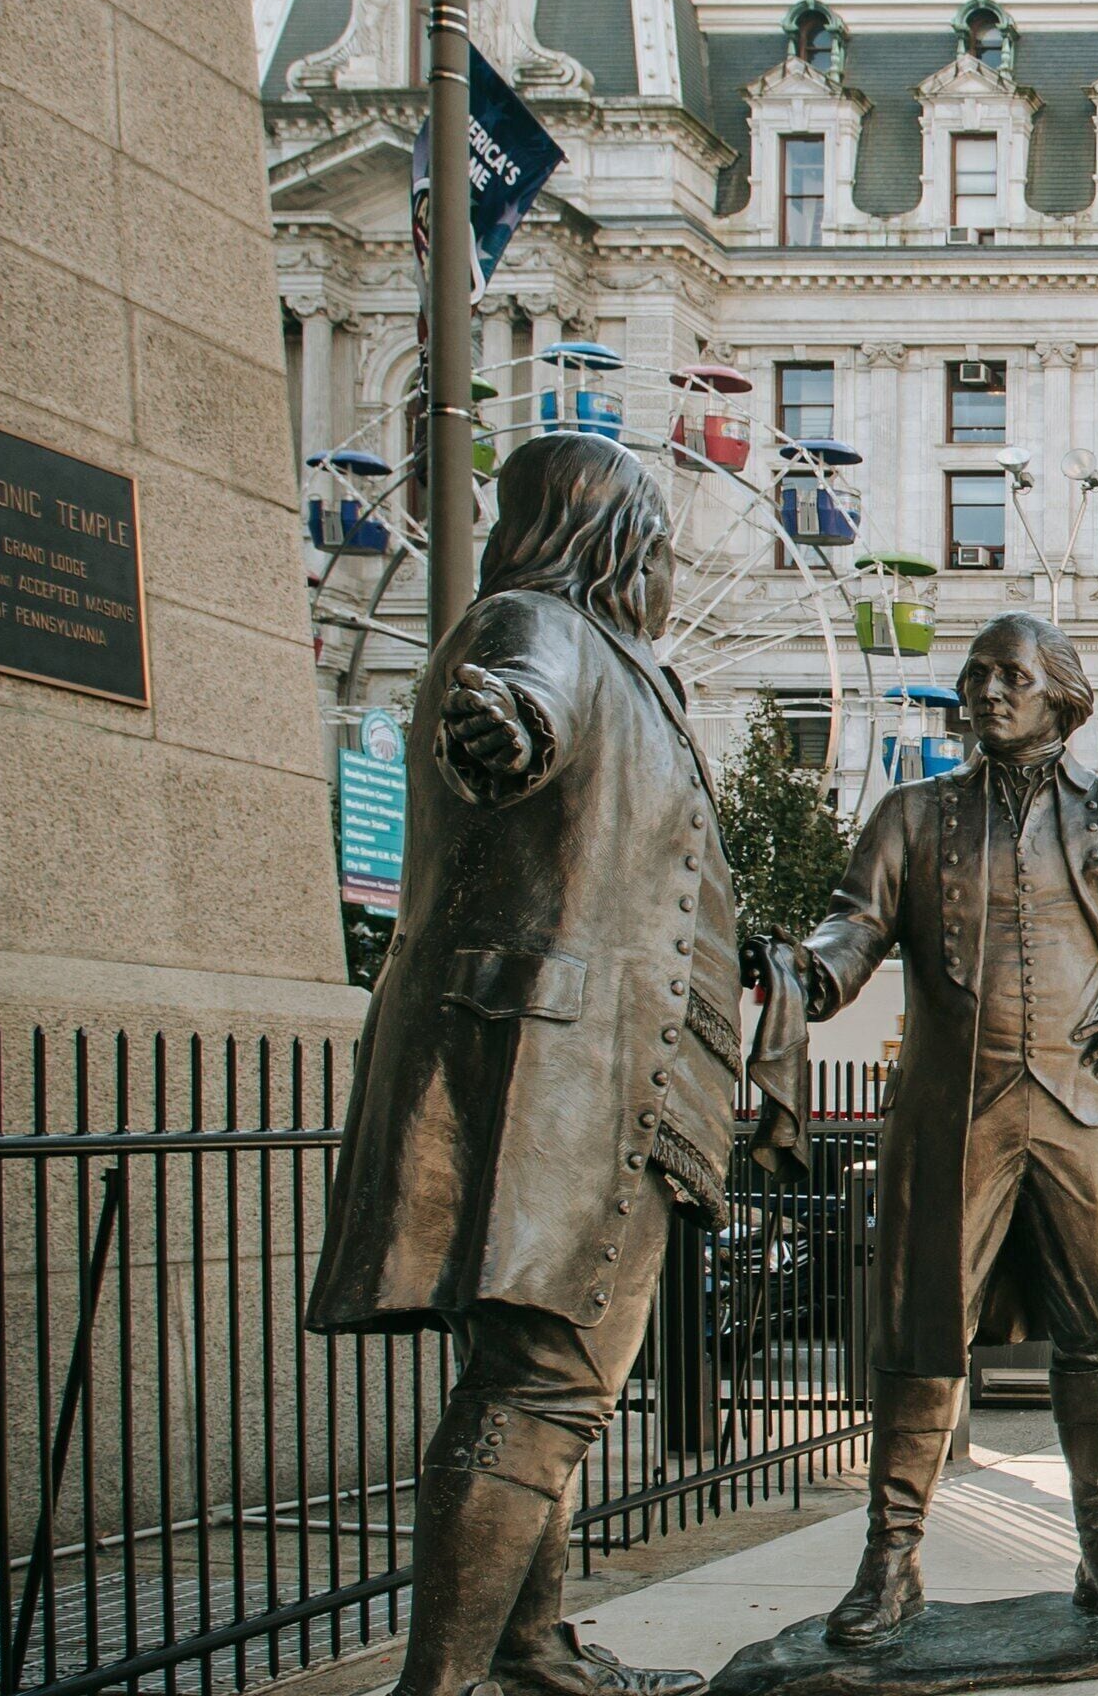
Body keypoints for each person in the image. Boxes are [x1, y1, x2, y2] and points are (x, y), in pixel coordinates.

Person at [308, 433, 735, 1696]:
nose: (664, 576)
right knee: (546, 1378)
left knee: (532, 1379)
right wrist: (503, 726)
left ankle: (532, 1649)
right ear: (611, 547)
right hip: (566, 1067)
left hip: (596, 1066)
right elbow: (517, 707)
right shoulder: (534, 626)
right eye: (655, 549)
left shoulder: (619, 659)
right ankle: (438, 1687)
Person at [775, 612, 1098, 1649]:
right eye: (975, 676)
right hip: (957, 1111)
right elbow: (854, 922)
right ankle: (889, 1564)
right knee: (921, 1335)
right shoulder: (913, 813)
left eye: (1009, 676)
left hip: (1091, 1110)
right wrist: (815, 968)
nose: (985, 692)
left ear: (1060, 696)